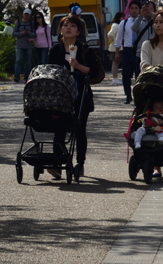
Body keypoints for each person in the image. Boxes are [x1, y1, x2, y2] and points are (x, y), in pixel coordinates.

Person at [49, 14, 100, 177]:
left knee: (79, 129)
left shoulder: (85, 50)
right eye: (65, 25)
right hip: (60, 96)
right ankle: (57, 163)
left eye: (72, 26)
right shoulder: (55, 50)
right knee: (59, 129)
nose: (68, 28)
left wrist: (78, 66)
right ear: (60, 30)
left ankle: (80, 162)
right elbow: (50, 71)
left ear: (78, 31)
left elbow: (95, 72)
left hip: (81, 94)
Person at [116, 1, 142, 104]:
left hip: (139, 51)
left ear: (139, 10)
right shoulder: (124, 23)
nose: (134, 10)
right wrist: (117, 52)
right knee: (126, 75)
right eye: (132, 8)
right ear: (129, 10)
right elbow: (119, 39)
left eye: (136, 8)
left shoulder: (142, 22)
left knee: (139, 75)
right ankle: (128, 95)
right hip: (127, 50)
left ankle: (138, 96)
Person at [12, 9, 35, 84]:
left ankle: (27, 77)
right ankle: (16, 77)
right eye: (25, 14)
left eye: (28, 14)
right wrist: (22, 33)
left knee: (28, 63)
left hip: (28, 45)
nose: (26, 15)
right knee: (18, 61)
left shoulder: (31, 23)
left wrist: (29, 33)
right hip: (19, 45)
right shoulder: (18, 22)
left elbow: (35, 34)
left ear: (30, 15)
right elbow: (14, 33)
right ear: (23, 14)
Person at [108, 11, 124, 85]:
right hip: (115, 47)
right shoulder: (116, 25)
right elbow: (110, 34)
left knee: (116, 63)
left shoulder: (118, 25)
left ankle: (115, 78)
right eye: (122, 17)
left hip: (118, 47)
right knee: (115, 63)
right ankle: (114, 78)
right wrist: (112, 41)